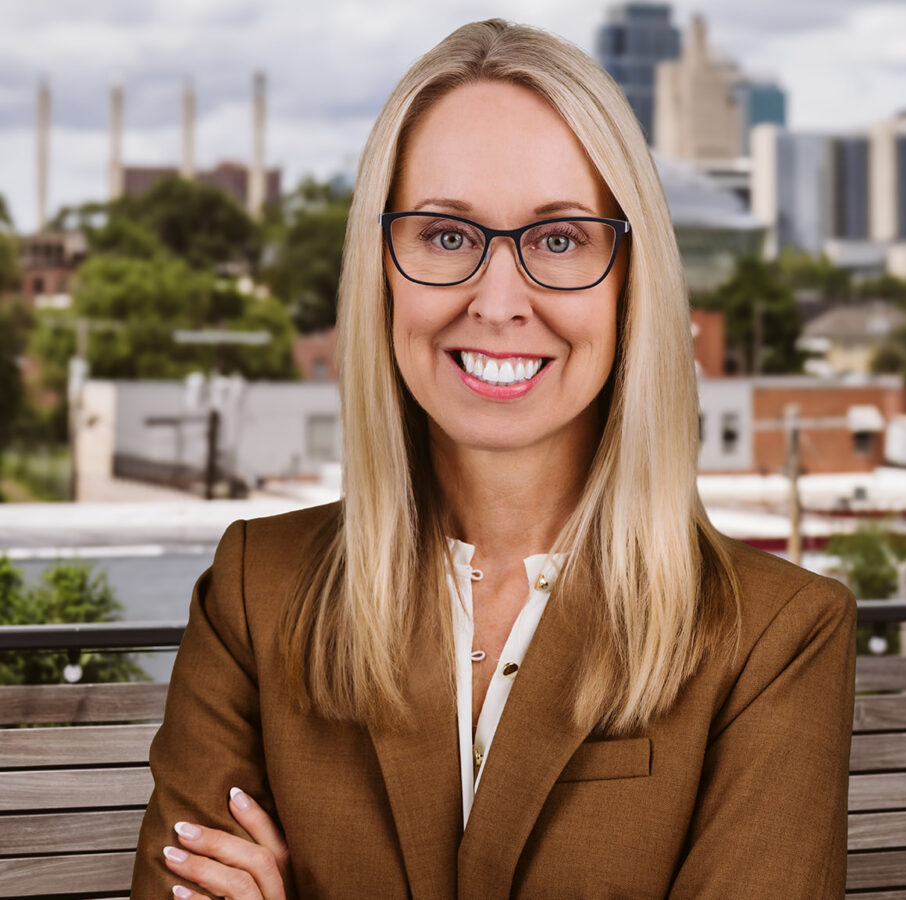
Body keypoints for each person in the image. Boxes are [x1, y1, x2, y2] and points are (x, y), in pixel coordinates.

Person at [132, 18, 856, 899]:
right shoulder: (255, 593)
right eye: (444, 235)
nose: (500, 302)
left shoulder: (777, 641)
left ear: (633, 281)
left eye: (559, 240)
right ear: (381, 266)